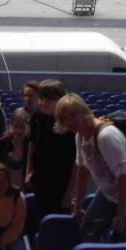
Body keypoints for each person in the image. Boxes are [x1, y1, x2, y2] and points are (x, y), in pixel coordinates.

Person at [54, 94, 126, 245]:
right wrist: (78, 207)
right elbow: (82, 171)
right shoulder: (80, 136)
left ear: (84, 112)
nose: (69, 121)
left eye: (73, 114)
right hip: (113, 189)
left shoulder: (105, 136)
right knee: (88, 229)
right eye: (64, 118)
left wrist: (120, 216)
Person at [25, 79, 76, 216]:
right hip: (40, 178)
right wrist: (29, 170)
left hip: (61, 182)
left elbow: (76, 162)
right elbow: (32, 143)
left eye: (46, 99)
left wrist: (69, 193)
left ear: (59, 99)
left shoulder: (69, 123)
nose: (41, 102)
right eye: (40, 98)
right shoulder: (37, 116)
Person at [0, 108, 31, 189]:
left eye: (22, 126)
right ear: (10, 125)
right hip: (5, 186)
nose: (18, 130)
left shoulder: (31, 144)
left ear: (28, 127)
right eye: (15, 126)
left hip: (24, 187)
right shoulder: (3, 142)